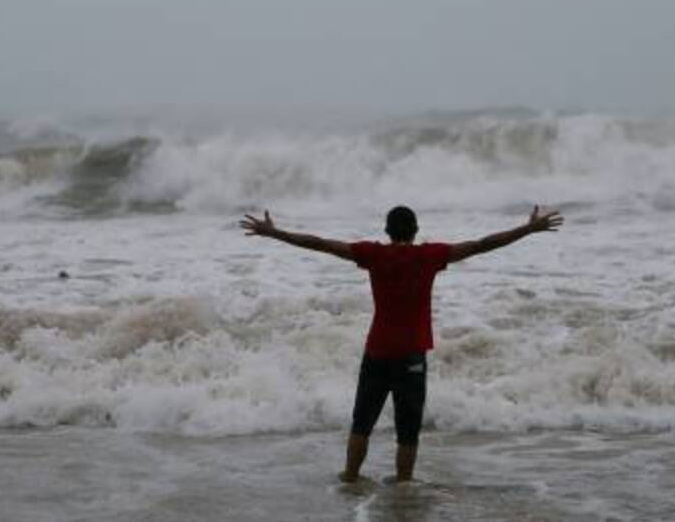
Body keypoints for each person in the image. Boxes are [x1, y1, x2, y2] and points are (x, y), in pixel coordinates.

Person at [239, 203, 563, 483]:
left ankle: (351, 477)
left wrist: (274, 233)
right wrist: (528, 229)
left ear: (387, 230)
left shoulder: (373, 254)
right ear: (416, 230)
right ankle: (404, 484)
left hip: (377, 352)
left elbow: (322, 244)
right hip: (411, 356)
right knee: (408, 430)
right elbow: (481, 244)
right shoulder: (429, 256)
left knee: (362, 422)